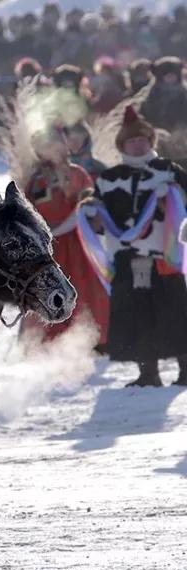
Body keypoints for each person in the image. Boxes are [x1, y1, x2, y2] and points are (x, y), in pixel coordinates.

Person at [81, 107, 187, 387]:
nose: (138, 145)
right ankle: (147, 373)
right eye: (132, 141)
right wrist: (91, 211)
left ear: (151, 141)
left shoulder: (167, 170)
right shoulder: (109, 178)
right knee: (137, 314)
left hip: (164, 254)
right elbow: (101, 215)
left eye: (143, 139)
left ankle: (186, 369)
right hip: (127, 256)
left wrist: (173, 196)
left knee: (174, 311)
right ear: (122, 145)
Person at [21, 126, 109, 345]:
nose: (50, 149)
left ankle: (91, 337)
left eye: (54, 143)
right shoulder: (34, 179)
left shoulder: (77, 172)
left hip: (77, 241)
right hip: (48, 245)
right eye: (43, 145)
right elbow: (27, 207)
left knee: (83, 286)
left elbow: (89, 202)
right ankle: (49, 337)